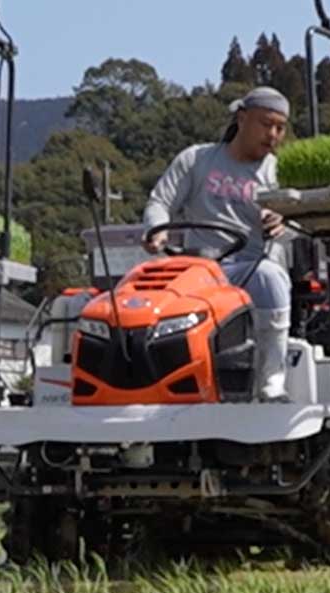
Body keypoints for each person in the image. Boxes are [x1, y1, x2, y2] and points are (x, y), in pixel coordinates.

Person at [141, 87, 296, 402]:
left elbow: (295, 224)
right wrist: (156, 230)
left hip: (252, 265)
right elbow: (160, 201)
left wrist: (282, 220)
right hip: (201, 267)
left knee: (271, 277)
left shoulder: (279, 173)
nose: (274, 134)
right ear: (242, 118)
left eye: (280, 128)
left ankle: (271, 381)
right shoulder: (197, 159)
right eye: (266, 124)